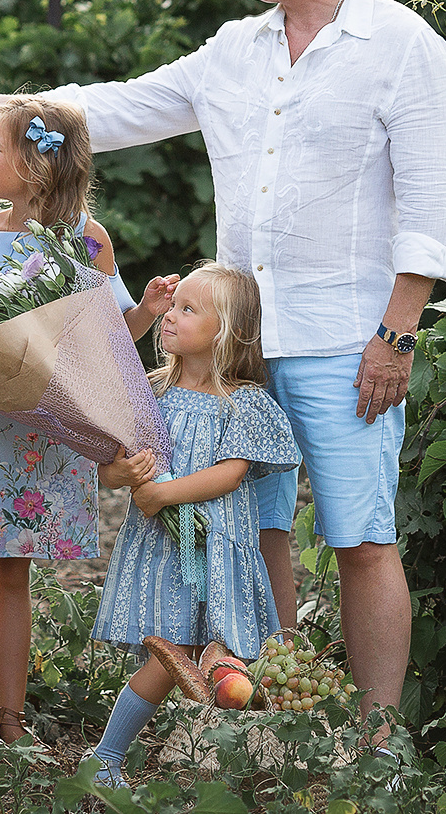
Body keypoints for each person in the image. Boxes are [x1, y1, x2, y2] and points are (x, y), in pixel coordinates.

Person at [0, 0, 446, 740]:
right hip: (233, 346)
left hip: (345, 339)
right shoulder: (233, 50)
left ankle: (376, 739)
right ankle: (273, 716)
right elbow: (121, 105)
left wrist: (396, 336)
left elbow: (429, 208)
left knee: (362, 536)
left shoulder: (407, 49)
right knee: (251, 534)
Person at [0, 96, 167, 751]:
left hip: (48, 429)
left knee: (15, 571)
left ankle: (12, 715)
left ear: (33, 163)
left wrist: (147, 311)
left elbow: (111, 339)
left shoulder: (88, 237)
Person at [87, 263, 300, 789]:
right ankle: (106, 756)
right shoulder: (150, 391)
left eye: (188, 309)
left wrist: (162, 493)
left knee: (226, 660)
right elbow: (111, 463)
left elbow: (232, 474)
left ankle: (232, 770)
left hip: (220, 551)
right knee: (170, 653)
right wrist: (120, 473)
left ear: (225, 331)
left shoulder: (245, 402)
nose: (172, 317)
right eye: (172, 306)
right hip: (164, 550)